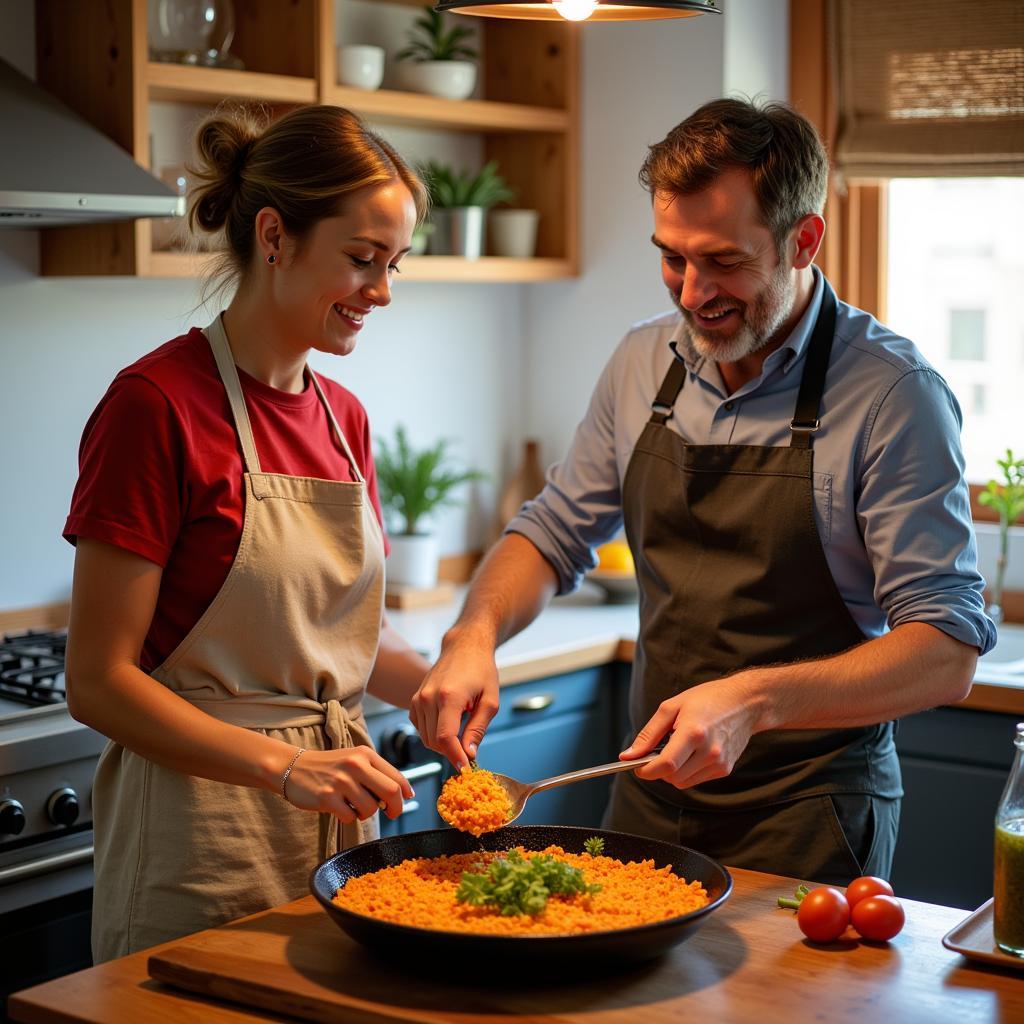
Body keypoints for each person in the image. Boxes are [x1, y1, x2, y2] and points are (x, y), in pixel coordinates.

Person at [411, 98, 997, 885]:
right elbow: (552, 532)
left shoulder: (894, 394)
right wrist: (472, 634)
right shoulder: (641, 359)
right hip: (645, 799)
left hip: (808, 816)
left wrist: (756, 700)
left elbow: (946, 650)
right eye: (672, 258)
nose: (691, 294)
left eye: (723, 260)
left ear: (804, 239)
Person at [64, 104, 430, 961]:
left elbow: (330, 638)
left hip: (337, 834)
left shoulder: (345, 420)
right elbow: (98, 683)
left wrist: (436, 683)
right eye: (362, 259)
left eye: (394, 265)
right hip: (202, 837)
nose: (381, 291)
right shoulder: (154, 407)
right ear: (274, 235)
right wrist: (286, 768)